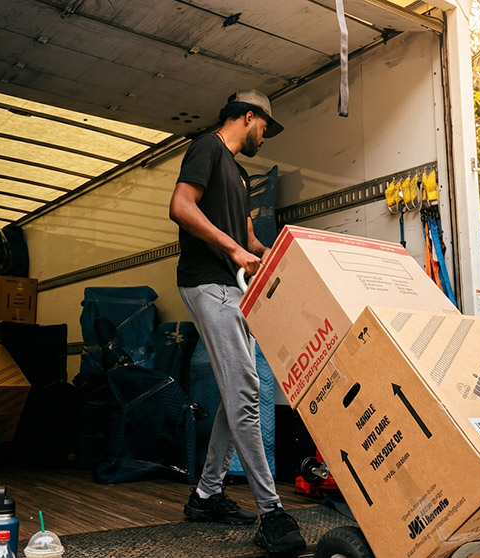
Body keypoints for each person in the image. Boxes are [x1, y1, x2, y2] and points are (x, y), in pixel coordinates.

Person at [168, 90, 306, 555]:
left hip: (234, 286)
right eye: (265, 127)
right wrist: (231, 250)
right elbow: (182, 207)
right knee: (247, 389)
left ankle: (207, 494)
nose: (265, 137)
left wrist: (278, 256)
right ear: (248, 117)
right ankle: (273, 512)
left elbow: (247, 236)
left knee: (239, 391)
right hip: (207, 281)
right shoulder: (206, 148)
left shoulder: (241, 175)